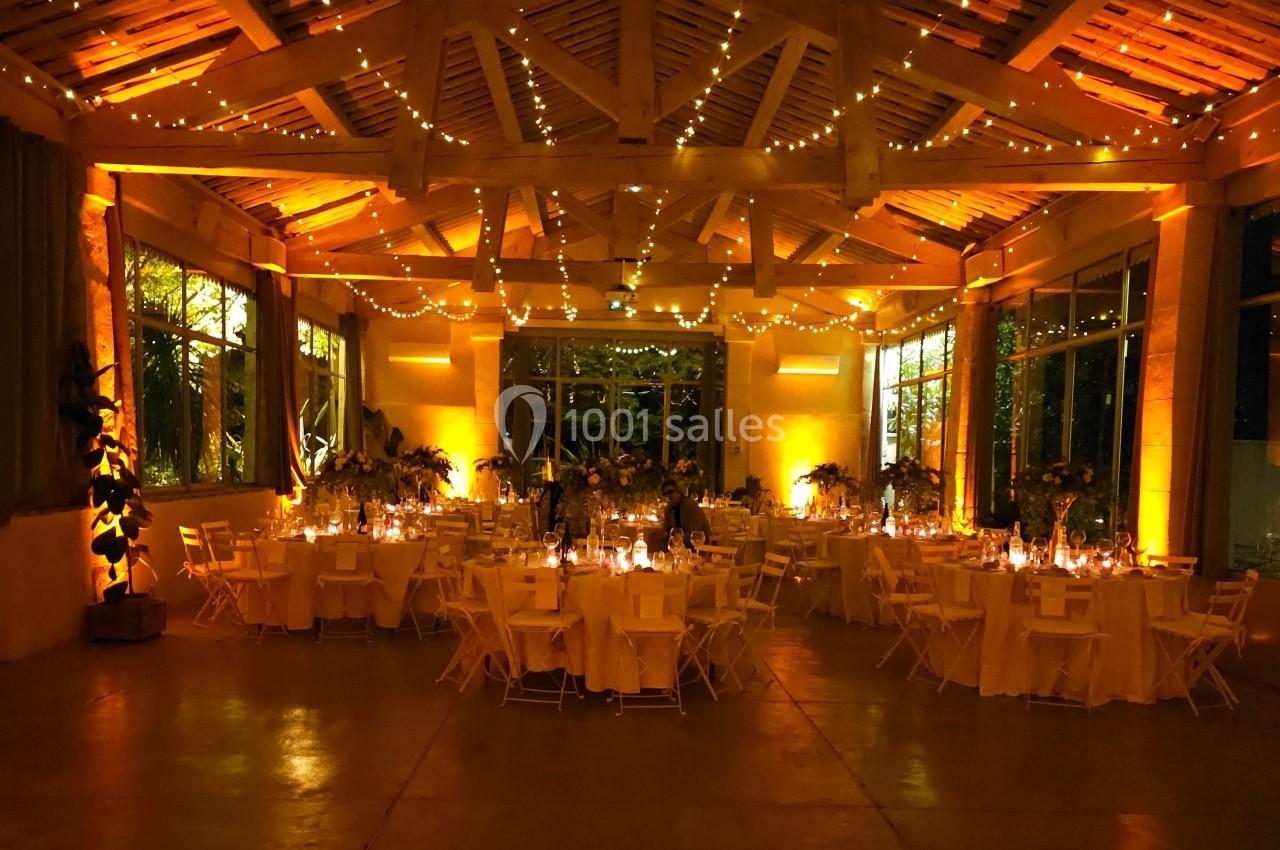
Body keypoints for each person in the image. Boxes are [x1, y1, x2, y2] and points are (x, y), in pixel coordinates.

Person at [661, 478, 711, 549]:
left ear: (679, 492)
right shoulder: (668, 509)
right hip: (678, 547)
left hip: (698, 547)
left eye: (671, 492)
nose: (668, 496)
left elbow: (695, 534)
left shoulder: (691, 506)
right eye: (665, 494)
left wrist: (675, 538)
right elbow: (666, 531)